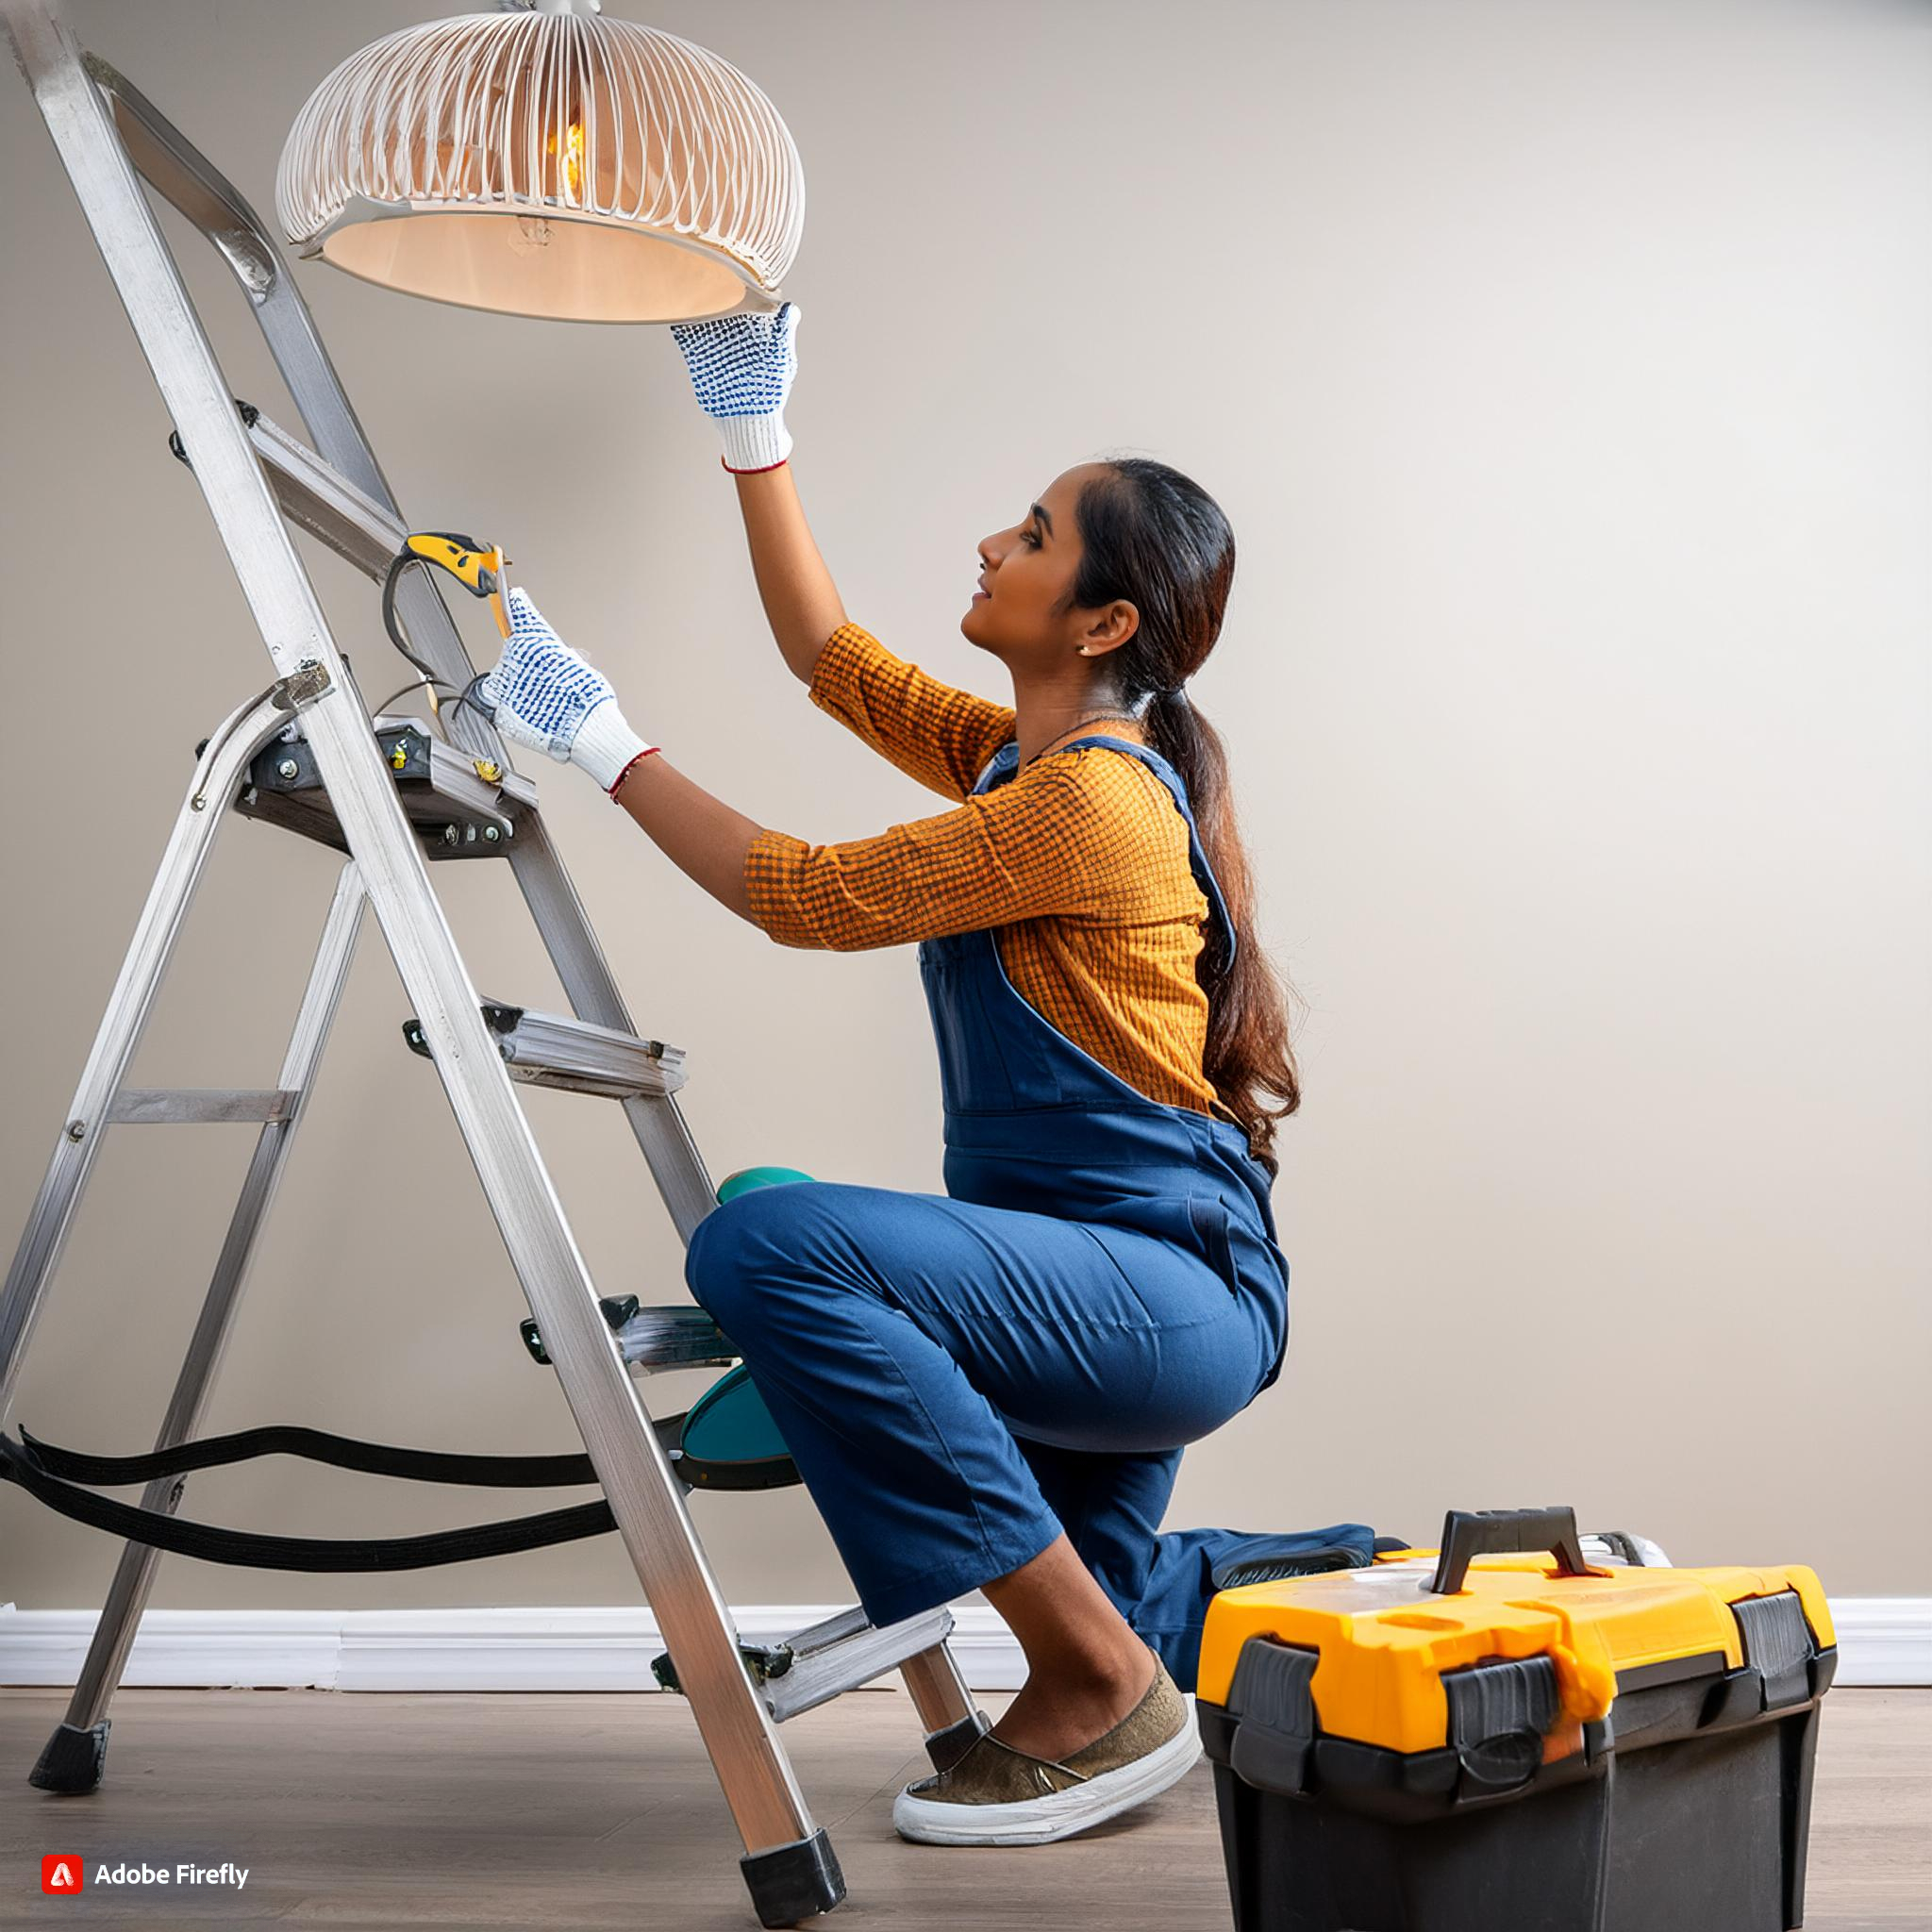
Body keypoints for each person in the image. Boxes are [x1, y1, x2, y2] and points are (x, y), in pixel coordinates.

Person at [474, 306, 1374, 1846]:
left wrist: (604, 741)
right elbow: (831, 658)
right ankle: (1362, 1579)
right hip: (1099, 1292)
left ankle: (1097, 1680)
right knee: (785, 1223)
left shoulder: (1091, 805)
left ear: (1100, 622)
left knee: (770, 1247)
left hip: (1162, 1300)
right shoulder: (1024, 764)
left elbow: (804, 896)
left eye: (1031, 533)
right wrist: (752, 426)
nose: (989, 542)